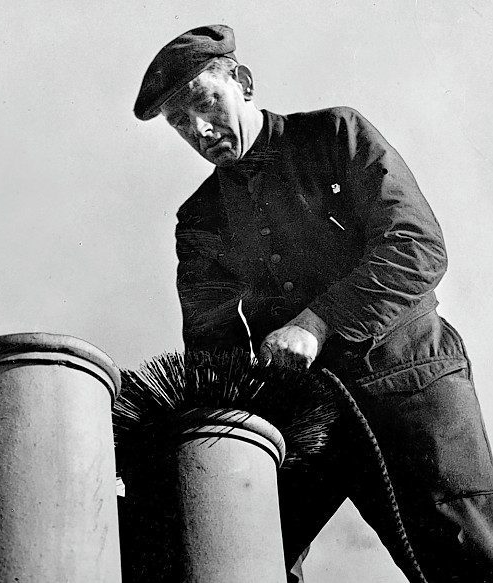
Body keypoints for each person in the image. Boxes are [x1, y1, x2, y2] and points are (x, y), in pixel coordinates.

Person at [134, 24, 493, 582]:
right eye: (180, 123)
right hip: (303, 417)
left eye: (206, 103)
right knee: (229, 550)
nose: (200, 130)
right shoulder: (200, 218)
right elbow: (211, 344)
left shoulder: (334, 134)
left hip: (410, 381)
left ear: (242, 83)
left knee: (466, 558)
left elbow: (416, 246)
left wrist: (317, 322)